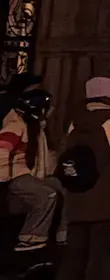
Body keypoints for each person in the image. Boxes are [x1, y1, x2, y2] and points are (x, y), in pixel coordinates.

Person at [60, 78, 110, 280]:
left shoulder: (75, 119)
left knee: (75, 251)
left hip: (77, 192)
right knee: (99, 252)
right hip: (106, 193)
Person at [0, 79, 59, 253]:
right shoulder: (16, 125)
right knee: (47, 195)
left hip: (29, 172)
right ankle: (30, 237)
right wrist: (3, 177)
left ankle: (60, 234)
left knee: (59, 187)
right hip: (16, 174)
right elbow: (2, 149)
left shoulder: (36, 126)